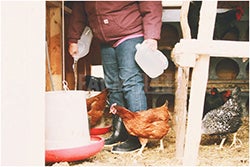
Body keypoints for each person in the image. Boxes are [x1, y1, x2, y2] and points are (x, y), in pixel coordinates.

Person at [68, 1, 162, 153]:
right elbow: (79, 10)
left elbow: (150, 4)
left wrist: (151, 36)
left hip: (130, 33)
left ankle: (137, 136)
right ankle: (120, 131)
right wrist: (73, 39)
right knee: (113, 85)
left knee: (130, 82)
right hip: (105, 39)